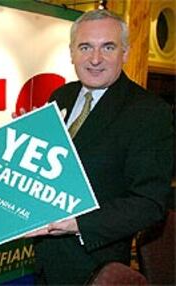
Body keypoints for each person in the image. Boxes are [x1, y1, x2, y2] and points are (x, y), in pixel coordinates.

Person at [24, 9, 174, 285]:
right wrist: (26, 140)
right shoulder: (62, 95)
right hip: (45, 263)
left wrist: (77, 223)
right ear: (71, 52)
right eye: (85, 47)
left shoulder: (149, 112)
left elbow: (150, 203)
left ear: (125, 53)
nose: (95, 59)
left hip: (97, 271)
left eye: (108, 47)